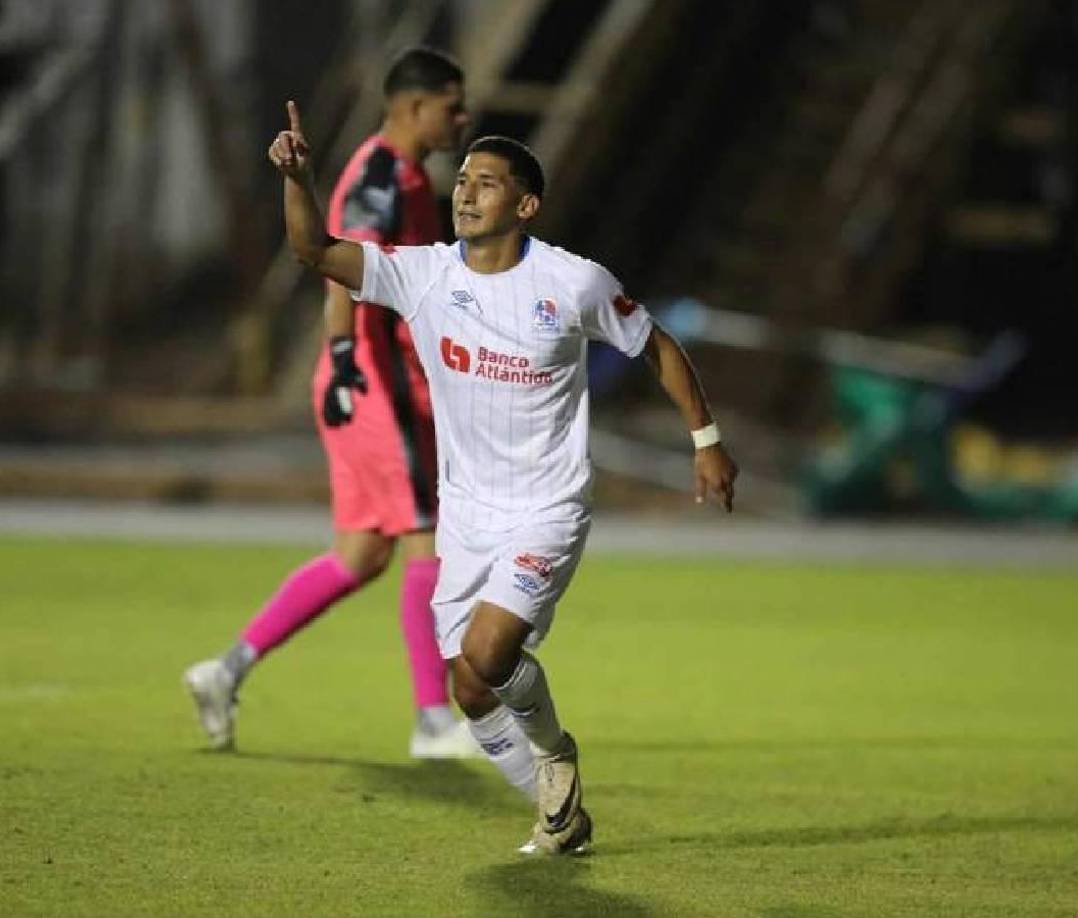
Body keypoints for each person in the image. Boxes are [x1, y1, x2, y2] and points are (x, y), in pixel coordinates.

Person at [268, 101, 738, 855]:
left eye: (485, 183)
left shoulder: (572, 282)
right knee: (468, 689)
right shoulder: (422, 275)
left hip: (546, 508)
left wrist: (706, 439)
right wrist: (298, 180)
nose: (465, 192)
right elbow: (314, 252)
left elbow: (656, 346)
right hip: (466, 515)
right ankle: (560, 814)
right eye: (461, 180)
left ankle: (555, 753)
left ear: (524, 205)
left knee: (489, 654)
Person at [184, 47, 476, 759]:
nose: (460, 118)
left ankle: (223, 673)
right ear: (413, 107)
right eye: (451, 104)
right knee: (424, 534)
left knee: (360, 554)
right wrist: (346, 358)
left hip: (373, 377)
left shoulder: (407, 174)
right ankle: (434, 721)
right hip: (374, 378)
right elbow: (344, 265)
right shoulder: (382, 174)